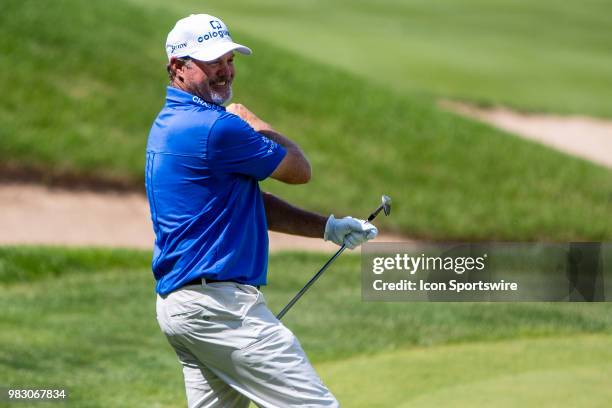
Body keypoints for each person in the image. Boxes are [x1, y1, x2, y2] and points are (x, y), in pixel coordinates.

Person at [146, 14, 378, 408]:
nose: (224, 71)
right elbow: (299, 169)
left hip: (183, 308)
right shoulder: (217, 128)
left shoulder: (167, 123)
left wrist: (328, 227)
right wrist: (251, 119)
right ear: (178, 68)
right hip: (220, 309)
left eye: (229, 59)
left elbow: (244, 204)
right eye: (211, 62)